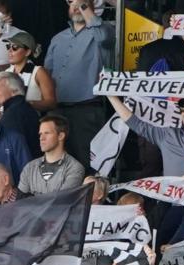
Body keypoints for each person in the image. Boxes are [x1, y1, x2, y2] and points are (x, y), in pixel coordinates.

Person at [45, 0, 113, 164]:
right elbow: (47, 74)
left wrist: (84, 8)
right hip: (57, 110)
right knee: (55, 161)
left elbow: (104, 36)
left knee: (87, 161)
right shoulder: (57, 38)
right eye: (72, 3)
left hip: (86, 110)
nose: (76, 6)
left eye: (81, 2)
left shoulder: (102, 32)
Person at [18, 115, 86, 195]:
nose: (41, 138)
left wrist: (33, 199)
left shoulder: (74, 168)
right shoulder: (29, 168)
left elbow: (61, 201)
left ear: (61, 136)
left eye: (47, 133)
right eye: (40, 134)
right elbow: (21, 202)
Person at [0, 31, 56, 112]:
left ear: (28, 52)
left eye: (15, 47)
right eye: (8, 46)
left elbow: (51, 102)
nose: (10, 50)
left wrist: (28, 104)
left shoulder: (38, 72)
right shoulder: (7, 72)